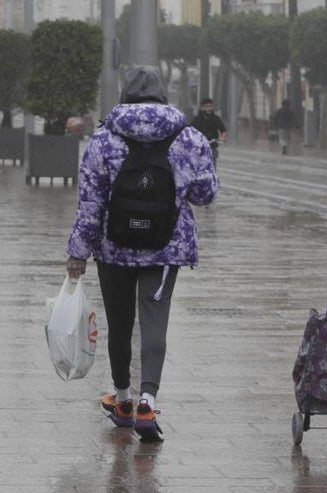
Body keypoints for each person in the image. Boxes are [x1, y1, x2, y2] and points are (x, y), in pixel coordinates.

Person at [66, 66, 218, 442]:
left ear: (125, 95)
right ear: (163, 95)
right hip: (166, 249)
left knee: (120, 324)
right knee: (155, 322)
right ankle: (147, 400)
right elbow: (205, 194)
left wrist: (78, 252)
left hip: (113, 249)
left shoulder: (102, 140)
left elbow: (90, 203)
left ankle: (122, 400)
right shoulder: (191, 138)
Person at [190, 97, 228, 165]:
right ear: (202, 108)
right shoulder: (196, 120)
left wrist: (222, 138)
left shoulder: (216, 119)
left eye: (211, 106)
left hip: (212, 147)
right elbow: (190, 132)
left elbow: (224, 131)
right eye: (207, 107)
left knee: (212, 167)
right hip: (199, 148)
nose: (209, 109)